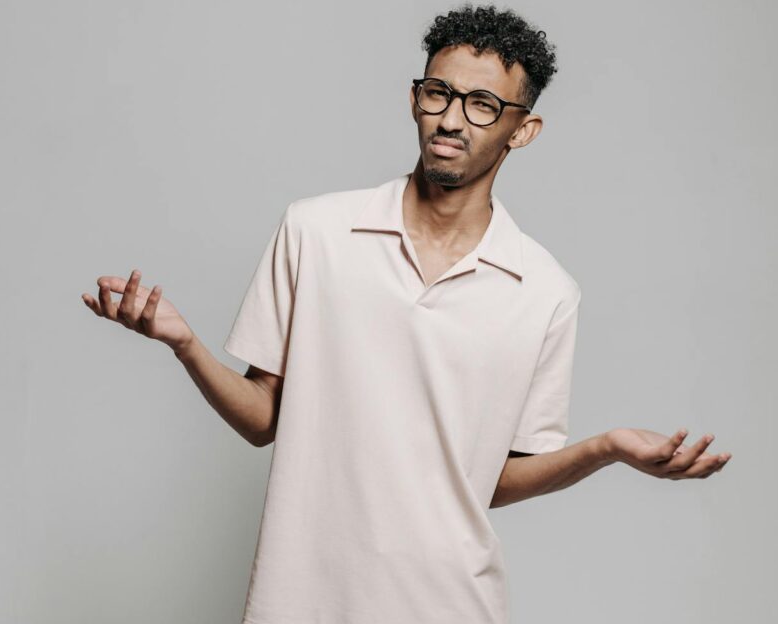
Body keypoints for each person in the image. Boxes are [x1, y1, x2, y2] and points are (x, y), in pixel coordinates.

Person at [81, 4, 731, 622]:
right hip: (302, 598)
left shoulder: (545, 291)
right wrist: (185, 344)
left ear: (523, 129)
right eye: (438, 94)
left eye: (483, 105)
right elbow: (263, 420)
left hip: (452, 605)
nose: (452, 120)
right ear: (414, 98)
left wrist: (606, 448)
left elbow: (485, 479)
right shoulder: (316, 232)